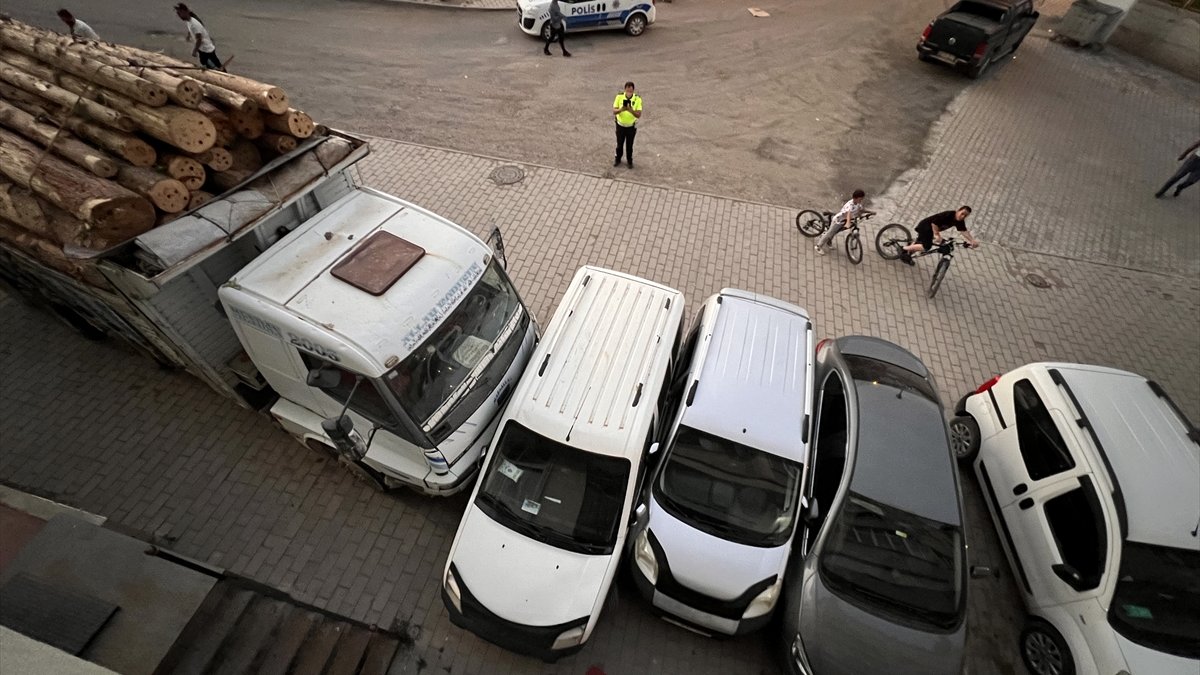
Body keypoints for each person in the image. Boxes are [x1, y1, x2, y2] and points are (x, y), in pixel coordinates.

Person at [897, 206, 979, 265]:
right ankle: (902, 248)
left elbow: (963, 231)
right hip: (926, 226)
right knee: (926, 246)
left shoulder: (959, 221)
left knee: (920, 242)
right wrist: (937, 235)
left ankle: (906, 255)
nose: (963, 216)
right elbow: (934, 223)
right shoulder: (949, 214)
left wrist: (972, 241)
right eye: (962, 213)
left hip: (930, 230)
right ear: (958, 211)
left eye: (965, 215)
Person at [815, 189, 873, 255]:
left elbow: (862, 210)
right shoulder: (850, 205)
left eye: (862, 199)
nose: (861, 200)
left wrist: (870, 212)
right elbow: (848, 214)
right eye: (860, 199)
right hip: (838, 221)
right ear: (855, 198)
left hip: (844, 222)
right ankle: (818, 246)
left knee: (835, 232)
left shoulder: (858, 204)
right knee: (829, 233)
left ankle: (828, 242)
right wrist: (848, 222)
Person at [174, 3, 225, 71]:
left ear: (185, 12)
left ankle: (223, 74)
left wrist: (194, 51)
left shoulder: (194, 24)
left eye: (179, 13)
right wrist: (188, 36)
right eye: (178, 14)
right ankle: (216, 72)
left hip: (206, 49)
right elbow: (191, 30)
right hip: (202, 48)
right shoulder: (189, 21)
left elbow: (199, 39)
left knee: (212, 64)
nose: (179, 16)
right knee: (206, 63)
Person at [613, 81, 642, 168]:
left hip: (631, 127)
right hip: (620, 125)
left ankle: (629, 161)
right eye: (627, 90)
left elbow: (638, 114)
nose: (629, 93)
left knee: (629, 145)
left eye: (631, 91)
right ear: (625, 90)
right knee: (619, 144)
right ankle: (617, 159)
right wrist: (621, 109)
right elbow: (614, 111)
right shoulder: (619, 97)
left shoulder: (637, 99)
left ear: (633, 91)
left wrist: (630, 110)